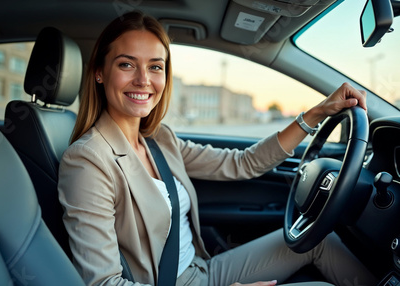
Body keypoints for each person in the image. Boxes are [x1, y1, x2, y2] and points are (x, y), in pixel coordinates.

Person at [58, 11, 377, 286]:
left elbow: (244, 163)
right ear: (99, 72)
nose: (144, 80)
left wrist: (317, 112)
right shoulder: (88, 160)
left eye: (155, 67)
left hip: (203, 270)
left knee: (318, 241)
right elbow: (104, 282)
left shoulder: (160, 140)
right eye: (127, 64)